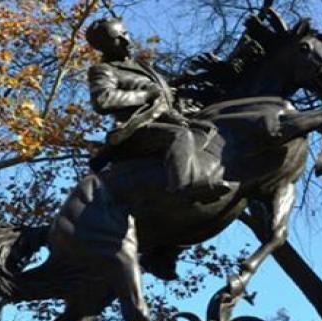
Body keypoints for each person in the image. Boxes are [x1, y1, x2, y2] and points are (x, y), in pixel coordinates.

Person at [85, 17, 231, 202]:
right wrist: (145, 95)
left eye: (125, 34)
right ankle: (186, 184)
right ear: (104, 45)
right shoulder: (103, 70)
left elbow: (161, 94)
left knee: (207, 128)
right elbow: (102, 100)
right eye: (117, 38)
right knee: (178, 136)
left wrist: (181, 82)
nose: (126, 41)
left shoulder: (141, 65)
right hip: (137, 130)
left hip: (167, 118)